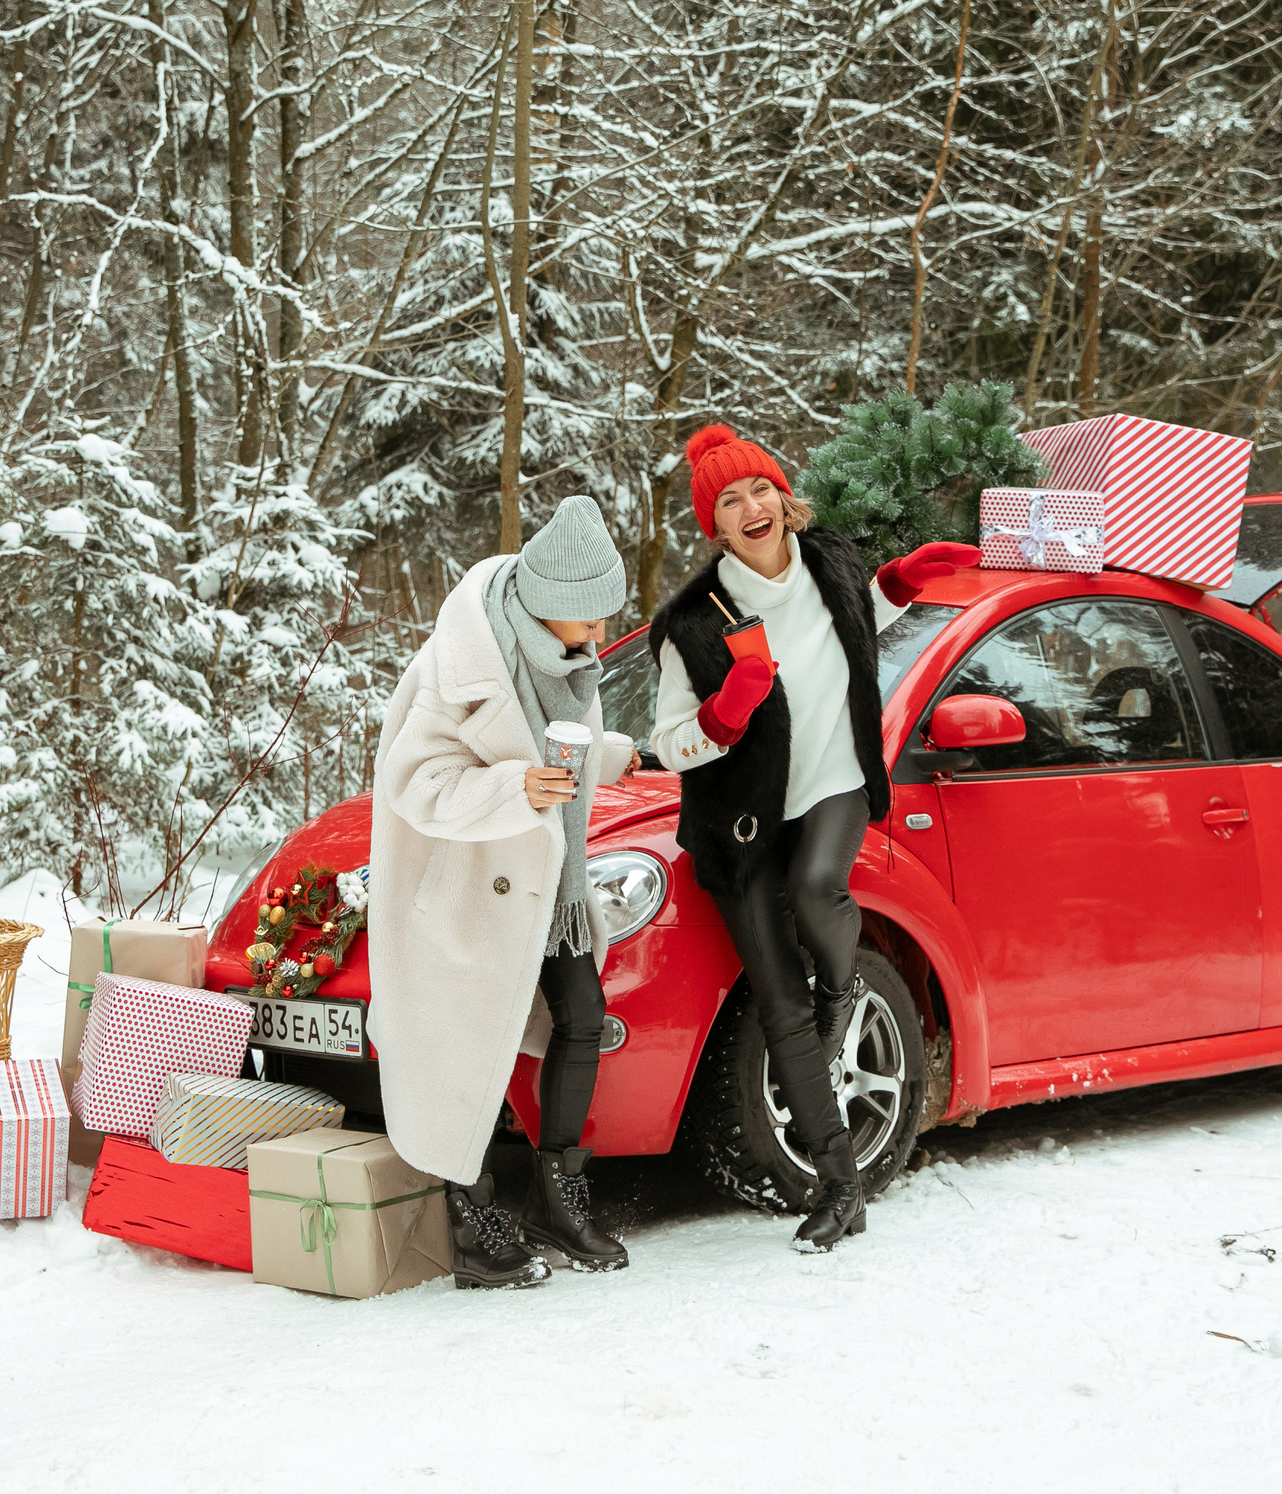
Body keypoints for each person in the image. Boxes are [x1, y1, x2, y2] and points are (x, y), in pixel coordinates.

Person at [650, 425, 975, 1252]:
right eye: (730, 501)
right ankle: (841, 1188)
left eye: (760, 488)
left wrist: (903, 578)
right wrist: (724, 716)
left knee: (818, 885)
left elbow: (860, 616)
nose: (751, 507)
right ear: (715, 525)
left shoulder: (830, 560)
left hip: (833, 781)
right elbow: (669, 742)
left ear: (781, 495)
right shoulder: (692, 622)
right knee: (780, 1008)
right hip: (739, 824)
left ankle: (842, 989)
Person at [368, 495, 644, 1289]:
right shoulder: (458, 667)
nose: (599, 633)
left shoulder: (567, 654)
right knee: (470, 1044)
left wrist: (607, 753)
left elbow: (552, 751)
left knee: (583, 1016)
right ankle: (472, 1214)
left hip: (547, 888)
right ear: (549, 601)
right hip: (468, 890)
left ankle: (557, 1197)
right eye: (588, 617)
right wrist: (514, 788)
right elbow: (415, 783)